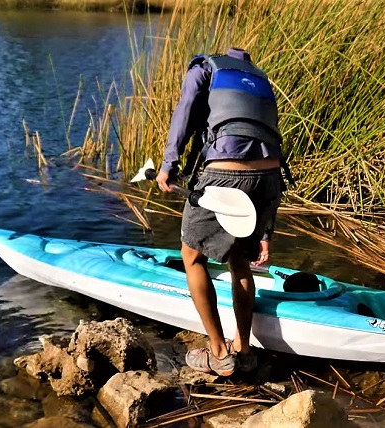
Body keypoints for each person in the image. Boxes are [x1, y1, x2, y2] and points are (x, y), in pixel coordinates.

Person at [156, 47, 287, 376]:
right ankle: (243, 350)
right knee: (240, 259)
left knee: (192, 256)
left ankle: (218, 354)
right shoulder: (260, 80)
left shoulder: (204, 68)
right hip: (271, 179)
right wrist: (266, 232)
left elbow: (184, 114)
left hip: (228, 175)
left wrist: (168, 165)